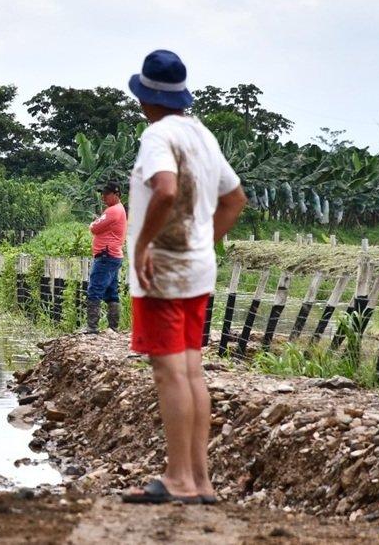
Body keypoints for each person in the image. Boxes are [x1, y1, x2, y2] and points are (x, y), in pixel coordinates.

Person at [120, 49, 247, 505]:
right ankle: (200, 481)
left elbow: (166, 189)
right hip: (198, 269)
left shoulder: (158, 136)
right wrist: (203, 242)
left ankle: (176, 479)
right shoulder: (201, 134)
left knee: (169, 373)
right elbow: (235, 199)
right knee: (192, 371)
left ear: (145, 98)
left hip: (165, 272)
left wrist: (142, 246)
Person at [81, 180, 126, 333]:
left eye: (106, 194)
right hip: (113, 255)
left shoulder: (113, 211)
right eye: (103, 194)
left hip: (106, 256)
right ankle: (113, 327)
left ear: (116, 194)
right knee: (111, 292)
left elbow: (95, 227)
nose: (103, 197)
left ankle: (92, 327)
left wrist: (92, 225)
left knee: (95, 289)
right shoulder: (118, 209)